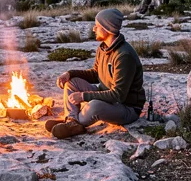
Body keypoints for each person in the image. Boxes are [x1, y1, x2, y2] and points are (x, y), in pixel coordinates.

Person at [45, 8, 146, 139]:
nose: (94, 29)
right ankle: (72, 120)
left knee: (95, 105)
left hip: (127, 108)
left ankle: (75, 123)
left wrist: (83, 96)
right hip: (108, 98)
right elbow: (95, 74)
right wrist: (69, 74)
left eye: (97, 26)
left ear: (107, 29)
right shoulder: (103, 48)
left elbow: (118, 95)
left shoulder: (124, 56)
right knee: (71, 83)